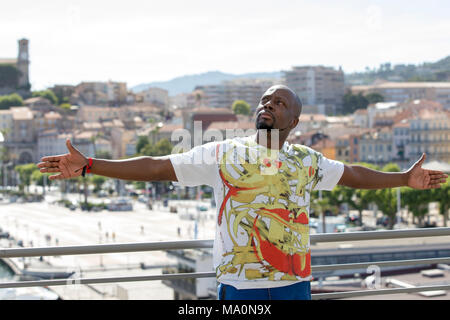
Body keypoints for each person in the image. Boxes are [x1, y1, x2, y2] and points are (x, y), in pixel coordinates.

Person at [37, 85, 448, 300]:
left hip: (295, 285)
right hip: (239, 289)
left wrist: (402, 179)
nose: (268, 105)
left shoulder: (307, 160)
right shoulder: (223, 153)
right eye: (265, 100)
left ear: (295, 119)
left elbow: (354, 175)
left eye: (279, 102)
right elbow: (157, 165)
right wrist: (91, 165)